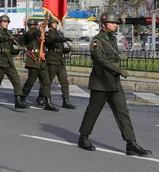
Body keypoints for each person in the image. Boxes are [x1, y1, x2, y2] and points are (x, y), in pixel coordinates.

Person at [77, 10, 151, 156]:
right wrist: (118, 70)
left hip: (114, 83)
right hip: (101, 82)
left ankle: (131, 143)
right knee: (93, 111)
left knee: (123, 112)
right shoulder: (97, 41)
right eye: (112, 23)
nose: (115, 25)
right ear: (104, 25)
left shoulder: (111, 39)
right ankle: (83, 137)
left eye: (115, 23)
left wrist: (117, 71)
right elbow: (101, 60)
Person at [0, 15, 29, 110]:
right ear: (0, 23)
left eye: (7, 22)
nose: (6, 23)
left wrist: (18, 50)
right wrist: (9, 38)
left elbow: (10, 49)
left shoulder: (9, 34)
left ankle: (18, 100)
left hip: (8, 59)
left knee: (16, 79)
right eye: (4, 22)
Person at [21, 19, 58, 111]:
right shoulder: (27, 35)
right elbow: (30, 34)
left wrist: (44, 35)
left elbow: (48, 41)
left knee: (46, 82)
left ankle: (48, 102)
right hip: (33, 60)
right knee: (30, 82)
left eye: (35, 25)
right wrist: (38, 28)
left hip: (42, 60)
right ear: (29, 26)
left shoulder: (39, 34)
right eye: (32, 26)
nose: (34, 27)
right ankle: (21, 98)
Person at [45, 18, 76, 109]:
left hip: (60, 60)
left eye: (56, 23)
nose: (55, 24)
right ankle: (44, 97)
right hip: (52, 60)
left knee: (64, 82)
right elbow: (51, 40)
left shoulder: (59, 34)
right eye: (53, 23)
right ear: (50, 24)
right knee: (48, 82)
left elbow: (61, 47)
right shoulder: (48, 33)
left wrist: (67, 50)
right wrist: (63, 38)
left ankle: (66, 100)